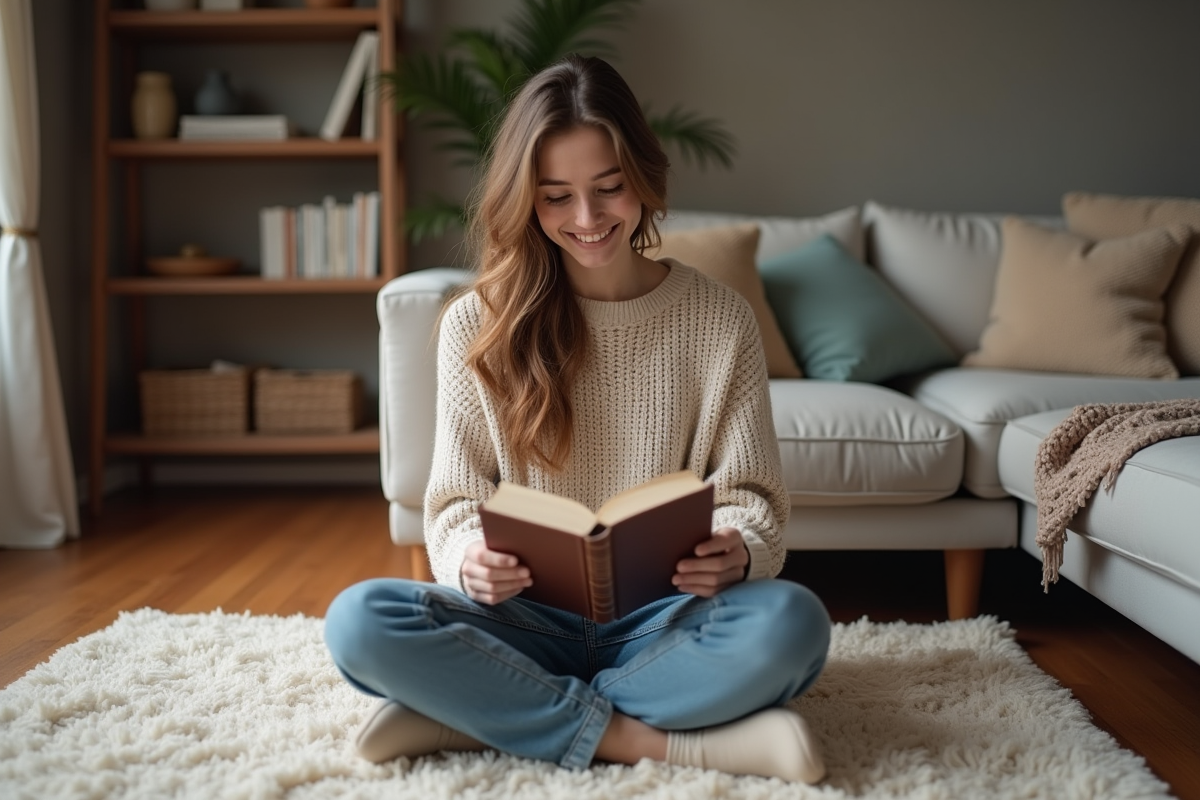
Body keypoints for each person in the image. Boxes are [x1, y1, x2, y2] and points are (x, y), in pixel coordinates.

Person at [324, 54, 831, 784]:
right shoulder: (477, 324)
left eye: (609, 188)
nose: (587, 220)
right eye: (556, 197)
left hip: (667, 620)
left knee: (793, 625)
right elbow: (454, 502)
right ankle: (660, 741)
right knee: (360, 620)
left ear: (644, 178)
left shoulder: (720, 319)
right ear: (525, 200)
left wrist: (738, 549)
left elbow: (752, 496)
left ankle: (474, 714)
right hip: (523, 621)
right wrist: (468, 556)